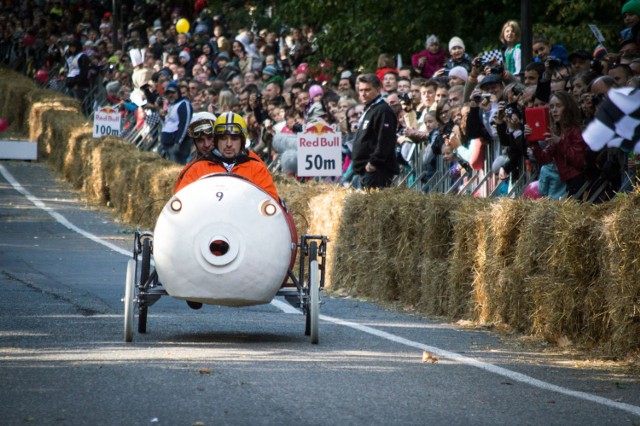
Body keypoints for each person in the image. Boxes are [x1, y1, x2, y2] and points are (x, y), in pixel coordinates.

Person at [174, 112, 279, 200]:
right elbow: (180, 204)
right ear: (217, 140)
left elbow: (271, 203)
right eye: (223, 138)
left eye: (234, 138)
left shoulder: (256, 168)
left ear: (242, 141)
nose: (229, 144)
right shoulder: (196, 169)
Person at [525, 91, 587, 197]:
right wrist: (533, 141)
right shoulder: (557, 131)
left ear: (567, 108)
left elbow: (578, 161)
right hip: (564, 182)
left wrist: (560, 142)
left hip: (576, 181)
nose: (554, 110)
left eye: (558, 106)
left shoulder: (575, 131)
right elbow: (544, 159)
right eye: (552, 107)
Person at [351, 73, 399, 189]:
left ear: (378, 90)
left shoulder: (383, 111)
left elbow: (385, 140)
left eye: (367, 90)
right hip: (364, 171)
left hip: (376, 171)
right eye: (361, 90)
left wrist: (374, 162)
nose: (363, 94)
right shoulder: (370, 109)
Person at [160, 81, 193, 165]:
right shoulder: (171, 105)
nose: (170, 95)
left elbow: (185, 124)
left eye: (173, 92)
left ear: (178, 92)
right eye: (168, 93)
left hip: (176, 146)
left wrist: (177, 143)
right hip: (167, 144)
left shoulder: (184, 104)